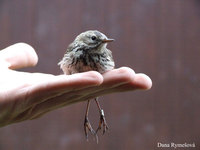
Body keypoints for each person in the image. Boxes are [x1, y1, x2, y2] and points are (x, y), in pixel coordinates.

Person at [0, 43, 152, 127]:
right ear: (86, 40)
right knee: (89, 89)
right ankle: (87, 119)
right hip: (80, 74)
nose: (103, 43)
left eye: (105, 41)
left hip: (96, 77)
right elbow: (66, 61)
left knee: (94, 91)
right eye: (95, 39)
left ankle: (101, 115)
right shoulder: (74, 49)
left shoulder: (105, 53)